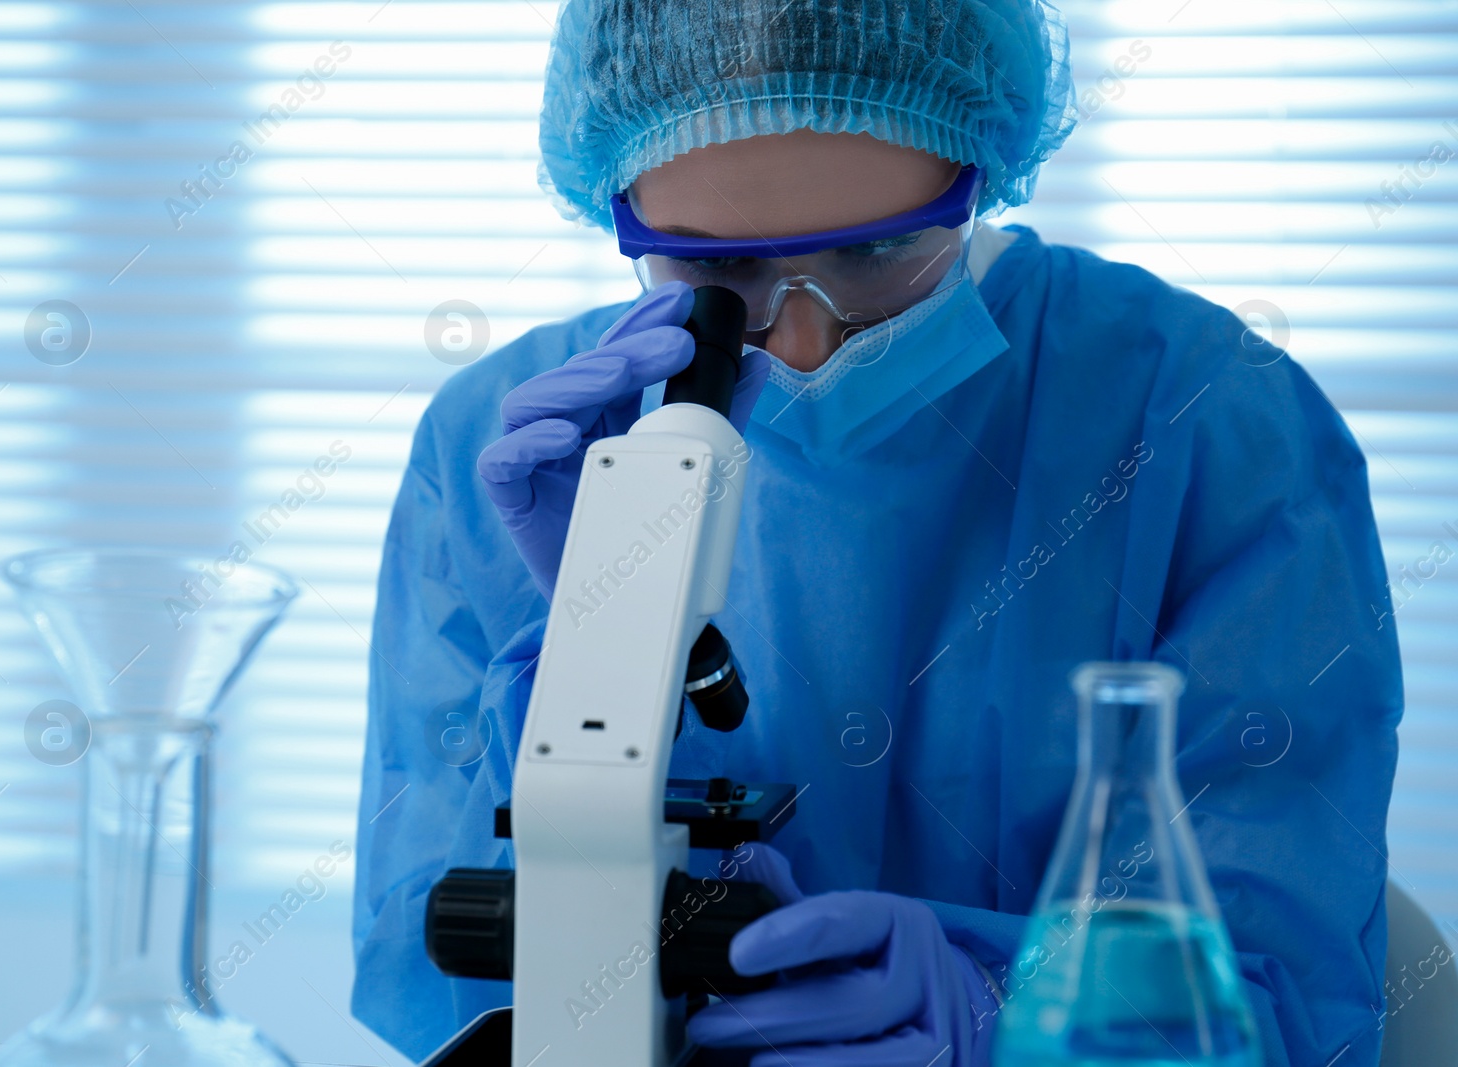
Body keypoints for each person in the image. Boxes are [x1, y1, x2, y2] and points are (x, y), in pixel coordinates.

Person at [352, 1, 1402, 1064]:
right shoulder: (514, 449)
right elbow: (431, 954)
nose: (805, 342)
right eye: (721, 278)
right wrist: (597, 640)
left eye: (881, 251)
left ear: (978, 169)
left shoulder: (1206, 417)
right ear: (619, 209)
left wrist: (996, 1007)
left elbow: (1289, 992)